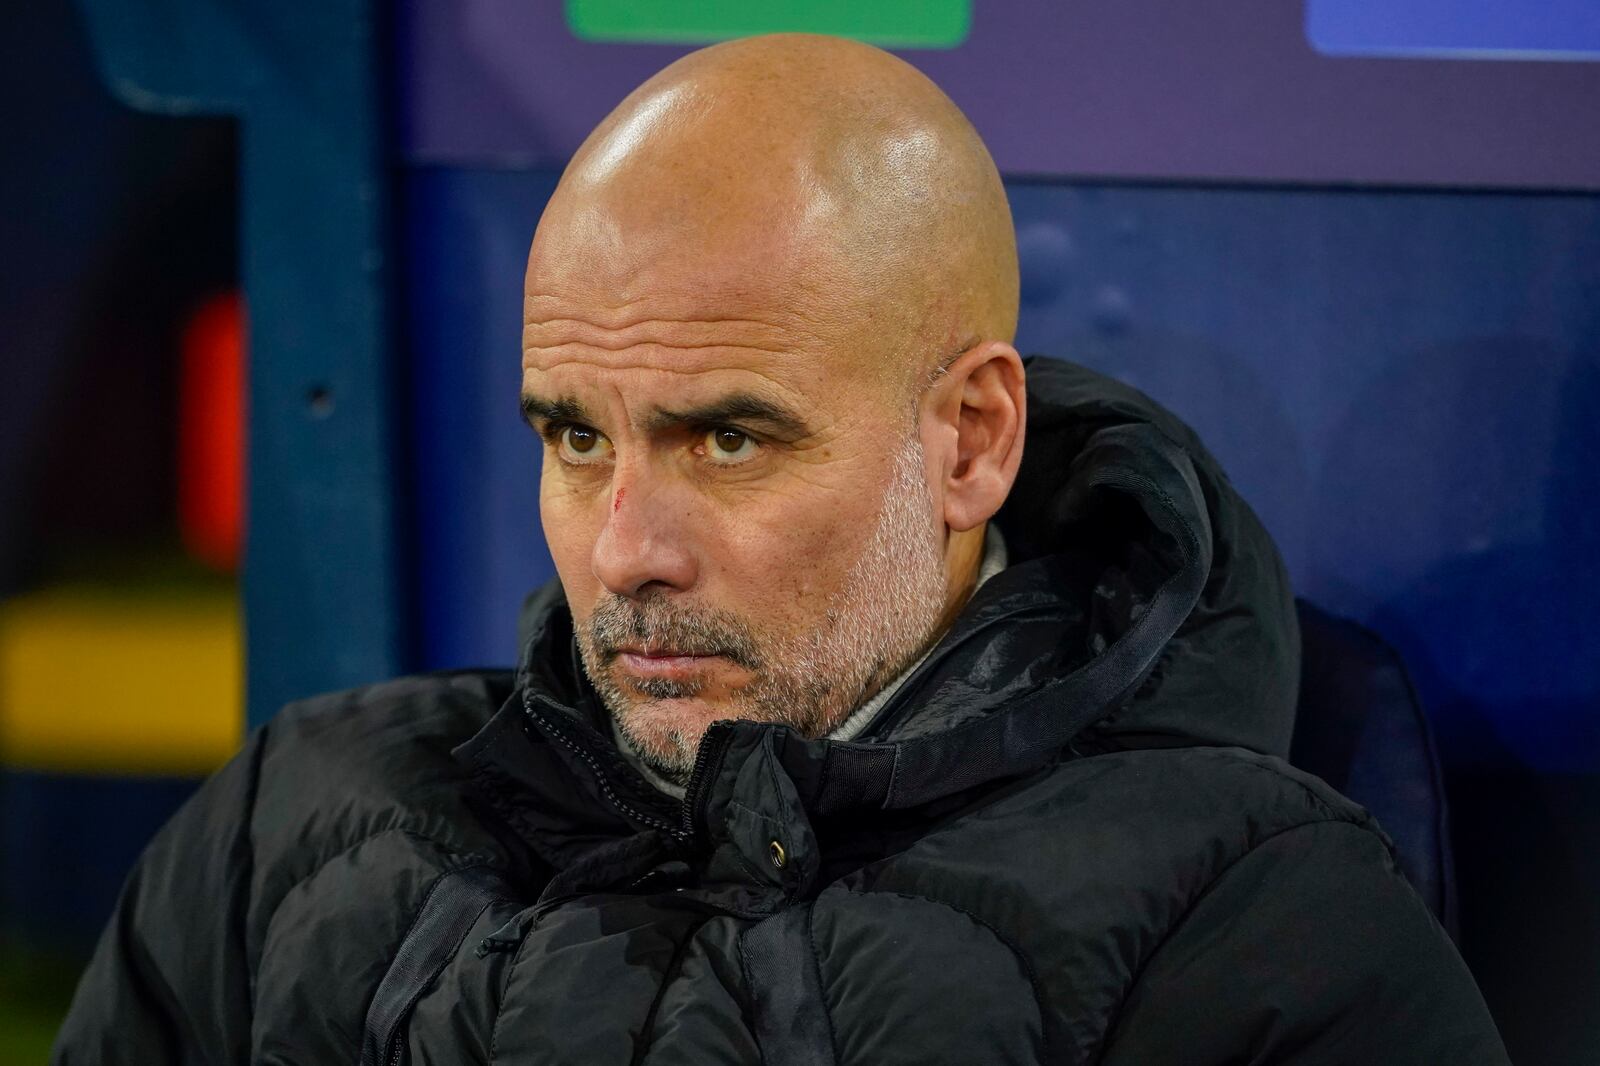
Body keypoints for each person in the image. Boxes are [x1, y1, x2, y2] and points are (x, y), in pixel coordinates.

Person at [54, 34, 1508, 1065]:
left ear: (970, 439)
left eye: (728, 440)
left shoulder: (1260, 921)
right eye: (575, 439)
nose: (625, 549)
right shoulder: (286, 830)